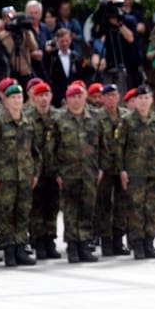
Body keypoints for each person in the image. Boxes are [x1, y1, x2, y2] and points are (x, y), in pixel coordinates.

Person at [48, 83, 103, 263]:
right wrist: (56, 172)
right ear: (67, 99)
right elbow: (51, 149)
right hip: (68, 172)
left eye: (79, 96)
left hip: (89, 171)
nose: (77, 100)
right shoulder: (59, 119)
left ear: (85, 97)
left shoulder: (95, 118)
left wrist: (101, 167)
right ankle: (72, 245)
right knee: (70, 210)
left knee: (87, 208)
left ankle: (84, 244)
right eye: (73, 97)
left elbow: (103, 145)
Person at [0, 83, 40, 267]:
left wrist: (35, 173)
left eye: (19, 97)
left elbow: (35, 151)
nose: (17, 101)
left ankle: (20, 248)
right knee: (6, 213)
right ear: (7, 101)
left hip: (25, 176)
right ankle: (9, 250)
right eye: (13, 98)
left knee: (23, 212)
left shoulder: (29, 122)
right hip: (6, 176)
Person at [118, 85, 155, 259]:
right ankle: (137, 244)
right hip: (135, 171)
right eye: (140, 98)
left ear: (152, 100)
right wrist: (122, 169)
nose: (144, 101)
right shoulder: (127, 120)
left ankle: (149, 243)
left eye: (147, 98)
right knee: (136, 208)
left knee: (152, 208)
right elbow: (119, 147)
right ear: (135, 101)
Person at [26, 81, 61, 260]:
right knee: (37, 207)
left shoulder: (58, 117)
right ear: (34, 97)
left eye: (46, 95)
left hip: (53, 170)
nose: (44, 99)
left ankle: (50, 239)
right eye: (40, 95)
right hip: (36, 171)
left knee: (53, 206)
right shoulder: (28, 118)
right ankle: (38, 240)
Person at [94, 84, 129, 256]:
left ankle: (118, 240)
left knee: (122, 205)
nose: (111, 99)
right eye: (107, 96)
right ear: (101, 98)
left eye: (114, 95)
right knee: (104, 205)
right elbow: (95, 145)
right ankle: (106, 241)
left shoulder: (126, 116)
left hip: (122, 168)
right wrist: (98, 166)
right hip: (105, 168)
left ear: (119, 96)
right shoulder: (97, 118)